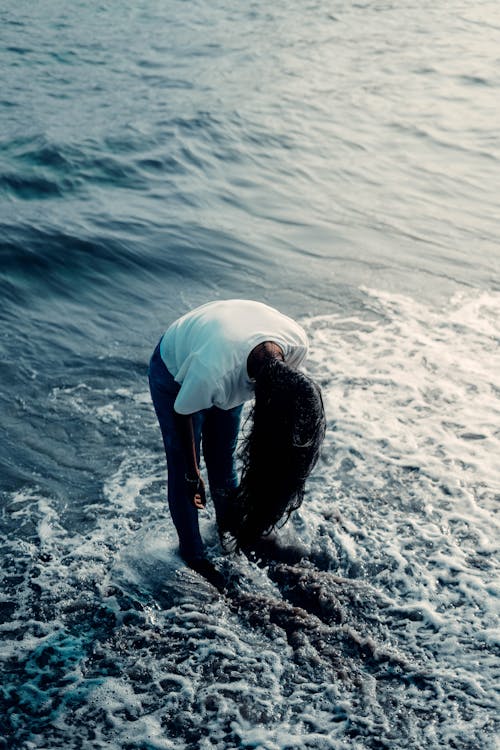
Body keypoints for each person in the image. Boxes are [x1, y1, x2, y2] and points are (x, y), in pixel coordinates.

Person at [148, 299, 325, 582]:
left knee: (222, 459)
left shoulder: (296, 346)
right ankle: (193, 554)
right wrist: (193, 472)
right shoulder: (212, 373)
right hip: (175, 372)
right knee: (182, 469)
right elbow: (183, 411)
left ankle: (231, 530)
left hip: (227, 352)